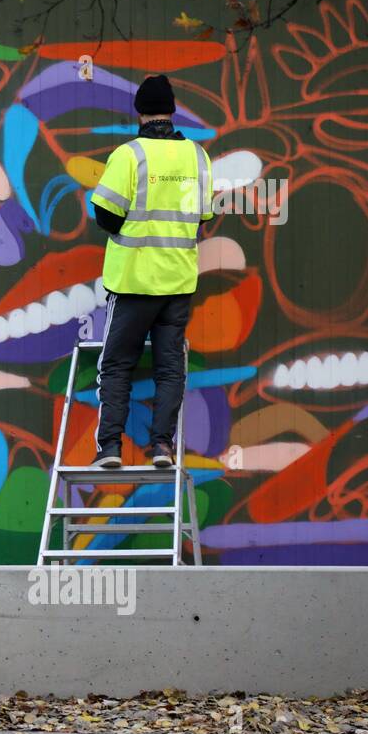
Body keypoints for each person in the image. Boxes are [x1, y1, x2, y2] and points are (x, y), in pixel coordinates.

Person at [87, 74, 214, 469]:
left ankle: (110, 448)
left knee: (117, 364)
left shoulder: (130, 155)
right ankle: (162, 446)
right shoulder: (197, 156)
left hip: (134, 281)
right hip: (177, 282)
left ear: (139, 111)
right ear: (171, 111)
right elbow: (201, 217)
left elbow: (105, 214)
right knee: (169, 368)